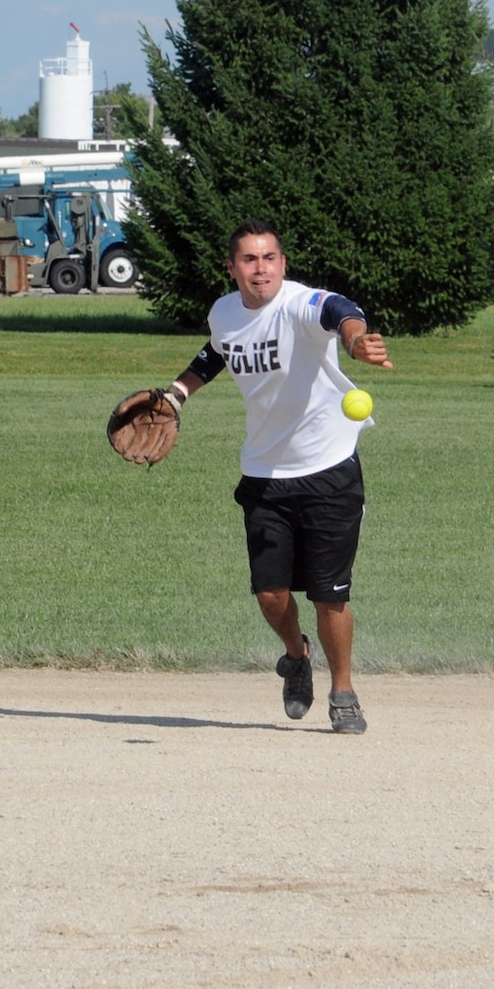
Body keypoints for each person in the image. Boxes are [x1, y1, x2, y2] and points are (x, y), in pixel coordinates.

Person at [165, 220, 392, 733]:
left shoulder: (300, 304)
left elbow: (341, 313)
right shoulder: (224, 311)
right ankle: (297, 656)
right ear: (232, 267)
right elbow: (217, 351)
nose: (260, 268)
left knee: (329, 595)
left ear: (283, 265)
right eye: (249, 259)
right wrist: (177, 393)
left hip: (329, 468)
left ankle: (344, 691)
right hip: (265, 473)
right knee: (270, 594)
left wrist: (356, 343)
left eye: (269, 258)